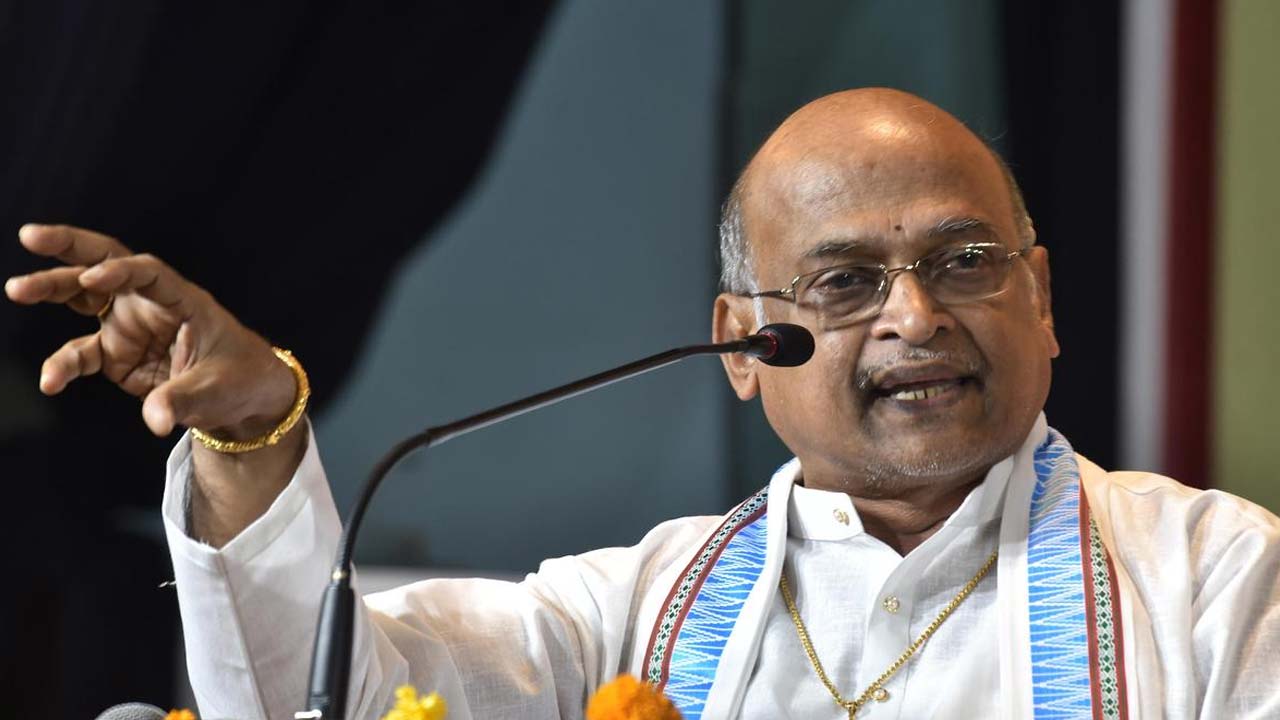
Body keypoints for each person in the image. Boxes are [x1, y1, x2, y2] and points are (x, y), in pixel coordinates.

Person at [8, 88, 1279, 719]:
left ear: (1038, 297)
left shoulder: (1214, 579)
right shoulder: (626, 616)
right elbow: (323, 696)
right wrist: (248, 436)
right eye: (843, 282)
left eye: (963, 263)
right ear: (741, 346)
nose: (912, 316)